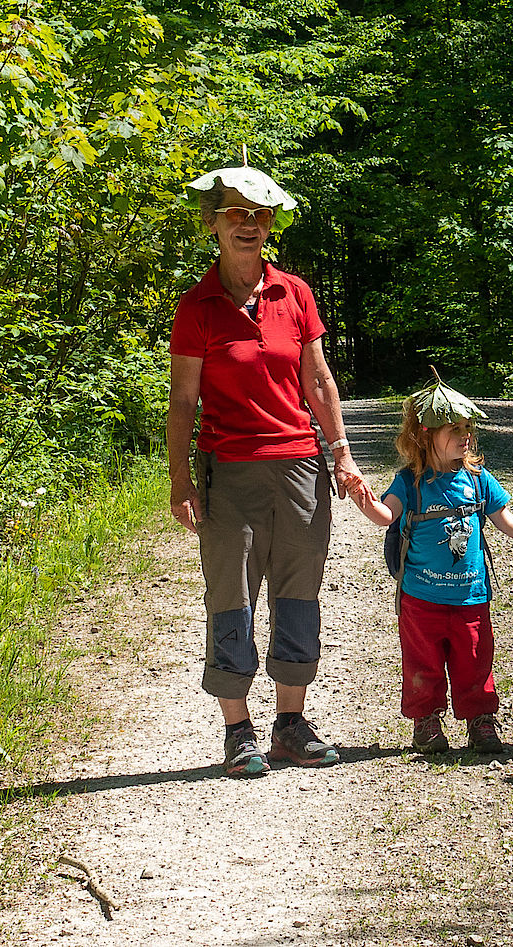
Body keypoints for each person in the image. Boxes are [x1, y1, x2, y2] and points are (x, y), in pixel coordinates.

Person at [167, 162, 365, 778]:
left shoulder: (294, 293)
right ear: (213, 223)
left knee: (298, 593)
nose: (248, 225)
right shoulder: (196, 307)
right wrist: (180, 478)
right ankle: (237, 729)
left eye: (258, 215)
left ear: (270, 222)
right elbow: (182, 401)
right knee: (231, 598)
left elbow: (319, 381)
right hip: (229, 472)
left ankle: (290, 723)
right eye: (235, 214)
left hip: (300, 469)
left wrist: (342, 452)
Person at [348, 379, 513, 755]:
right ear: (424, 434)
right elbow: (385, 516)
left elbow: (506, 520)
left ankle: (481, 721)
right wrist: (362, 494)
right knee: (422, 662)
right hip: (420, 597)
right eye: (454, 429)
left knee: (475, 659)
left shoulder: (478, 480)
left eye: (468, 428)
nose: (465, 436)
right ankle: (426, 721)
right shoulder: (410, 482)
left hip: (471, 595)